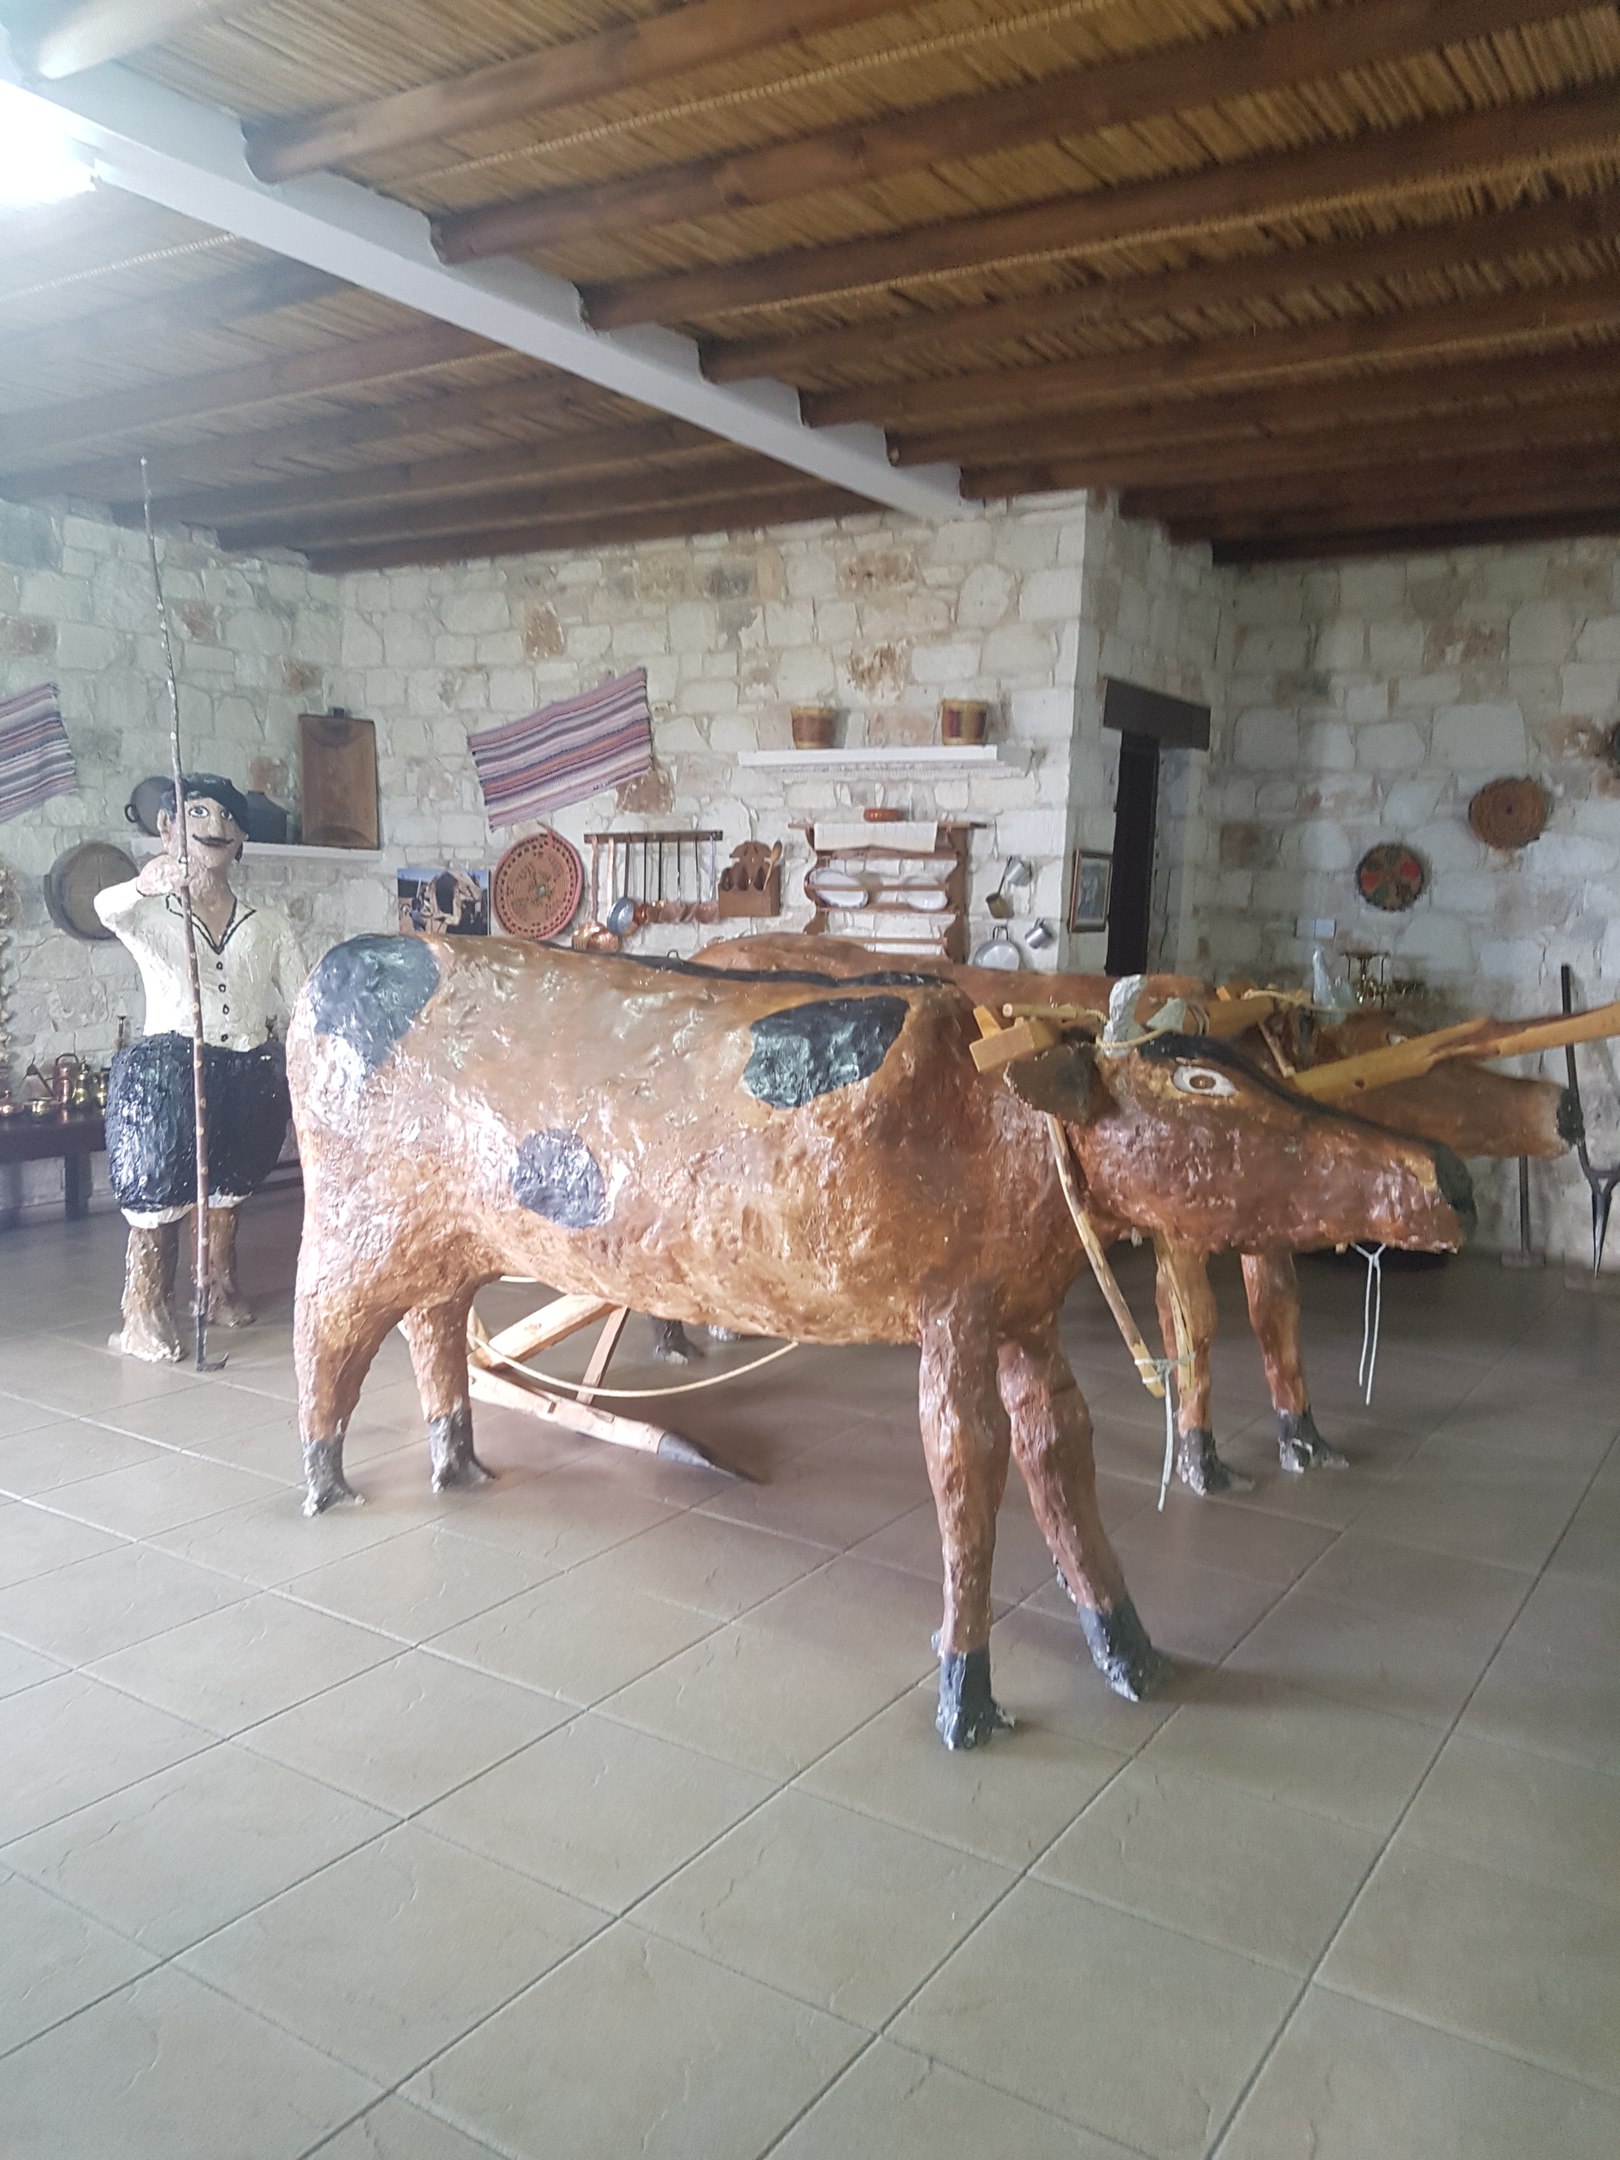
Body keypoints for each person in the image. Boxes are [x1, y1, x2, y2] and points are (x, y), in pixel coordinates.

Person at [94, 774, 306, 1361]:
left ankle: (215, 1287)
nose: (214, 828)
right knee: (159, 1192)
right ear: (169, 828)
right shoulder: (151, 911)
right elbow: (103, 908)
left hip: (244, 1064)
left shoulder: (268, 924)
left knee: (229, 1189)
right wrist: (145, 882)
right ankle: (144, 1306)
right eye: (198, 814)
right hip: (172, 1065)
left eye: (226, 819)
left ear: (240, 838)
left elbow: (300, 998)